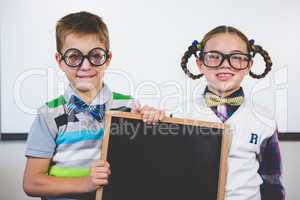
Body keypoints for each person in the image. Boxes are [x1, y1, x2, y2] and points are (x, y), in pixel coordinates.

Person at [23, 11, 164, 200]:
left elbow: (147, 163)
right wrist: (85, 183)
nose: (86, 65)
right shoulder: (49, 114)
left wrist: (152, 120)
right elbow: (32, 183)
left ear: (108, 58)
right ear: (60, 61)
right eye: (74, 57)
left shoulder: (128, 106)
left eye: (95, 56)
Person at [178, 25, 284, 200]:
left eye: (236, 58)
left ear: (248, 65)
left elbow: (272, 182)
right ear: (200, 63)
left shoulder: (264, 120)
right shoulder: (177, 114)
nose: (225, 65)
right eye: (214, 57)